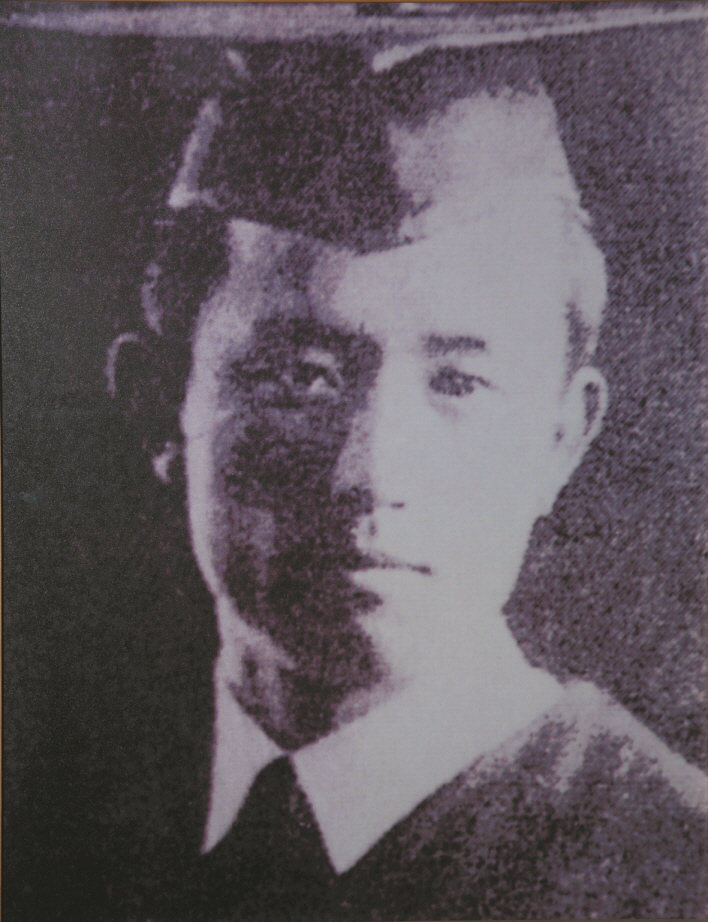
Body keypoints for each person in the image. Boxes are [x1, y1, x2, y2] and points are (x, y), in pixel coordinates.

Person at [109, 44, 706, 921]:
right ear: (161, 405)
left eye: (459, 383)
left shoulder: (674, 875)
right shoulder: (59, 805)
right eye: (301, 379)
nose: (371, 472)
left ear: (560, 439)